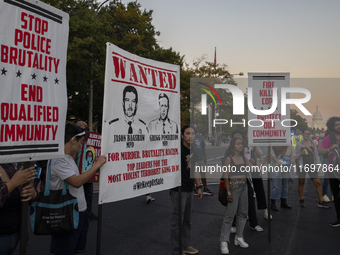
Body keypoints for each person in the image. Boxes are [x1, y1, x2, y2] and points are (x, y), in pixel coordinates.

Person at [49, 123, 106, 255]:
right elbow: (77, 182)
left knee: (77, 249)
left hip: (78, 213)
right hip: (66, 215)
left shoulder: (68, 159)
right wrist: (97, 165)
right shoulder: (58, 161)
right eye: (80, 143)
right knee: (63, 250)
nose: (81, 147)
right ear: (72, 140)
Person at [220, 137, 270, 254]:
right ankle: (224, 241)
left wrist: (265, 160)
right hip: (233, 189)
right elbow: (225, 176)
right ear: (233, 146)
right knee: (229, 216)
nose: (241, 146)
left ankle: (239, 237)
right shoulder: (229, 159)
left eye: (241, 144)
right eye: (238, 144)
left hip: (244, 188)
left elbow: (254, 168)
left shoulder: (243, 158)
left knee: (242, 214)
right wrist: (228, 192)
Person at [223, 129, 264, 233]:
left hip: (246, 179)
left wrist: (255, 161)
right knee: (234, 204)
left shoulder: (248, 148)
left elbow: (254, 161)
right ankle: (233, 225)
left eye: (240, 135)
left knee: (250, 201)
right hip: (233, 181)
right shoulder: (228, 151)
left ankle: (254, 223)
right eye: (236, 136)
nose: (239, 137)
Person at [170, 125, 202, 255]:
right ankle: (177, 249)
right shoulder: (177, 149)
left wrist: (199, 186)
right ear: (182, 135)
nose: (190, 136)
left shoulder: (193, 148)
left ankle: (186, 245)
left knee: (187, 220)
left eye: (193, 134)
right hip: (178, 189)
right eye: (188, 133)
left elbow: (195, 169)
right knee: (177, 220)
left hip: (190, 189)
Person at [0, 163, 37, 255]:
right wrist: (12, 184)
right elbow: (13, 185)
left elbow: (19, 194)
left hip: (14, 235)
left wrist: (32, 194)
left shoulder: (7, 165)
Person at [295, 128, 330, 208]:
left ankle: (321, 201)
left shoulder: (312, 142)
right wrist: (301, 154)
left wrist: (317, 164)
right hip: (302, 164)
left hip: (311, 164)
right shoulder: (299, 144)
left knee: (317, 182)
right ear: (302, 134)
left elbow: (316, 155)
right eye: (305, 133)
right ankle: (301, 200)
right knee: (301, 182)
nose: (307, 135)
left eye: (308, 134)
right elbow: (295, 155)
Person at [319, 117, 340, 226]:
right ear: (332, 126)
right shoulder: (328, 138)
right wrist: (330, 148)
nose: (339, 126)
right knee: (336, 195)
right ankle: (339, 218)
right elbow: (320, 151)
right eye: (336, 124)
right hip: (333, 170)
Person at [75, 121, 98, 221]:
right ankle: (79, 211)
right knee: (79, 193)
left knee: (89, 194)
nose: (86, 127)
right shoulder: (76, 141)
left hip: (88, 172)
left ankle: (88, 212)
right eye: (83, 126)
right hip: (78, 172)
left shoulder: (89, 139)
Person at [270, 146, 296, 210]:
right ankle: (273, 203)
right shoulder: (273, 146)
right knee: (275, 185)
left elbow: (293, 154)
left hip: (286, 165)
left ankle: (283, 202)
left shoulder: (289, 146)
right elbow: (271, 155)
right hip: (276, 165)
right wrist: (276, 161)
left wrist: (293, 159)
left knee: (285, 185)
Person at [192, 126, 213, 196]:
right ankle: (194, 188)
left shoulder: (200, 137)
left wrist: (205, 157)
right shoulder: (190, 137)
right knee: (194, 175)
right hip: (193, 159)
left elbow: (203, 147)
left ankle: (205, 188)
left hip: (201, 159)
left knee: (203, 174)